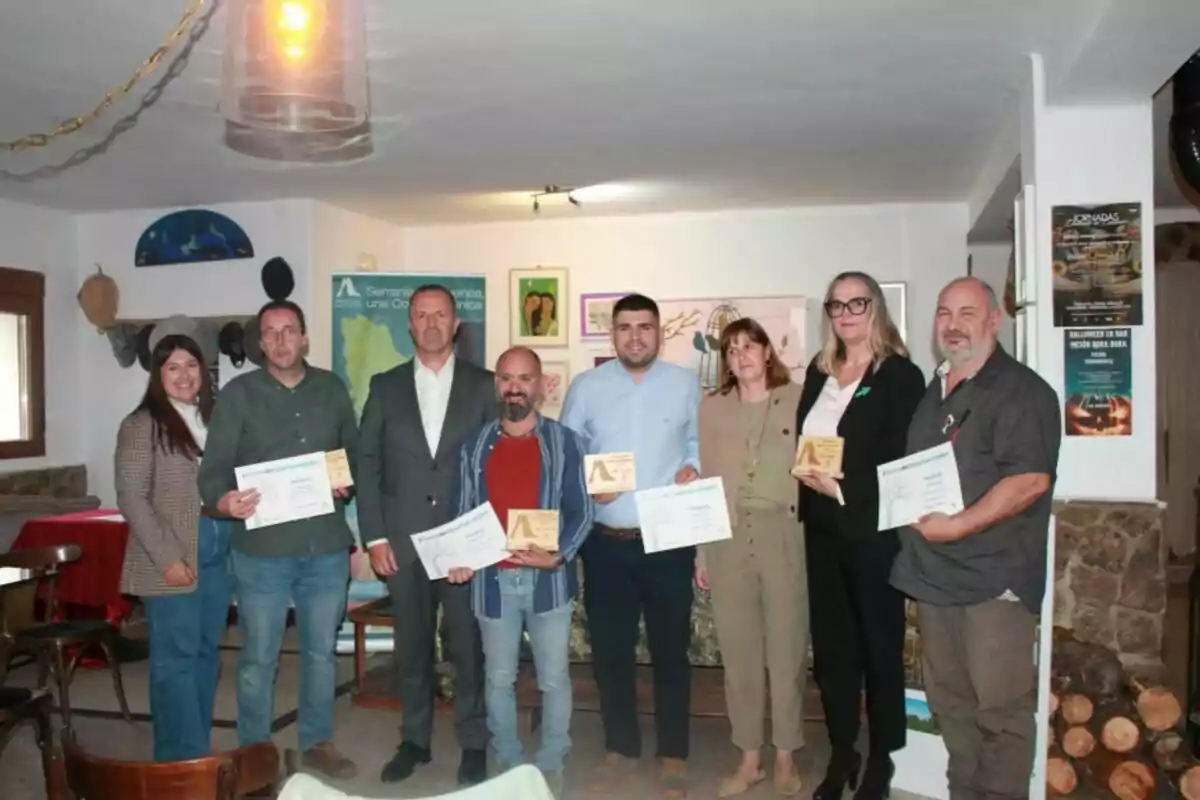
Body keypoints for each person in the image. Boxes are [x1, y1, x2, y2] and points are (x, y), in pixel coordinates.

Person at [890, 276, 1060, 800]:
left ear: (993, 320)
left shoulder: (1020, 390)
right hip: (936, 578)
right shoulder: (936, 389)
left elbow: (1030, 479)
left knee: (1000, 713)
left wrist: (958, 525)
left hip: (993, 582)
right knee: (952, 705)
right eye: (944, 313)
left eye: (967, 312)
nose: (953, 324)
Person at [198, 299, 360, 779]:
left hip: (323, 547)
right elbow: (213, 471)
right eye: (270, 332)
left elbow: (349, 450)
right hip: (261, 552)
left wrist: (344, 479)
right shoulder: (237, 395)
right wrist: (224, 501)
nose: (280, 340)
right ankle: (255, 750)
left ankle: (317, 741)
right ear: (260, 342)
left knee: (320, 654)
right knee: (258, 658)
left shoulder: (331, 388)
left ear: (304, 336)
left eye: (289, 330)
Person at [560, 293, 702, 799]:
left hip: (668, 541)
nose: (635, 336)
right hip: (606, 545)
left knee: (670, 650)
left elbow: (698, 443)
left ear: (659, 332)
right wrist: (584, 484)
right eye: (625, 328)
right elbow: (565, 455)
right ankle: (619, 748)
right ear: (612, 334)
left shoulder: (686, 385)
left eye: (645, 327)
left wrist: (695, 467)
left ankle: (673, 753)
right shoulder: (587, 388)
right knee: (611, 653)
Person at [356, 284, 496, 787]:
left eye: (441, 315)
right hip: (404, 545)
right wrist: (374, 537)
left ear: (456, 323)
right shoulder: (385, 386)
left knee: (467, 649)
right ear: (409, 326)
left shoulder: (484, 386)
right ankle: (414, 741)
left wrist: (481, 544)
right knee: (412, 649)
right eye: (422, 315)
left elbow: (495, 467)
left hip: (462, 546)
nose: (432, 323)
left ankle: (474, 744)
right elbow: (366, 463)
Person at [796, 272, 926, 800]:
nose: (846, 313)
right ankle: (843, 751)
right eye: (837, 304)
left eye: (857, 302)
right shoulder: (818, 370)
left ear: (876, 308)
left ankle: (883, 758)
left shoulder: (901, 375)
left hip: (872, 531)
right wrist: (808, 476)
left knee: (878, 647)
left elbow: (904, 459)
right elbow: (806, 438)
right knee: (832, 652)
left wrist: (845, 487)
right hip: (822, 529)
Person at [444, 346, 594, 798]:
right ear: (497, 384)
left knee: (554, 679)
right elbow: (463, 513)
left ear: (540, 384)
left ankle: (550, 762)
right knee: (498, 678)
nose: (515, 386)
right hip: (492, 583)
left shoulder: (566, 443)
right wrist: (458, 555)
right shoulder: (474, 445)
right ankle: (509, 761)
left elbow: (582, 511)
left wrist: (560, 554)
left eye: (524, 378)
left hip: (549, 582)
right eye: (507, 377)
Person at [694, 318, 807, 797]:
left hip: (786, 534)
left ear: (767, 352)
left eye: (748, 346)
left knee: (786, 651)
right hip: (728, 538)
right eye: (731, 349)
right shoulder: (712, 408)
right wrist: (702, 551)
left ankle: (785, 756)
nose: (740, 356)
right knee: (739, 654)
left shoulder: (801, 398)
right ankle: (749, 758)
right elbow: (704, 479)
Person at [114, 315, 230, 762]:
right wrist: (167, 558)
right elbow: (132, 498)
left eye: (192, 365)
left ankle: (195, 748)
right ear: (157, 375)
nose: (184, 375)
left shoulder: (213, 419)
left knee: (205, 654)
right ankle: (177, 759)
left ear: (204, 370)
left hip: (218, 546)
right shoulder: (141, 424)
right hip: (173, 551)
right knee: (175, 660)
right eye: (173, 367)